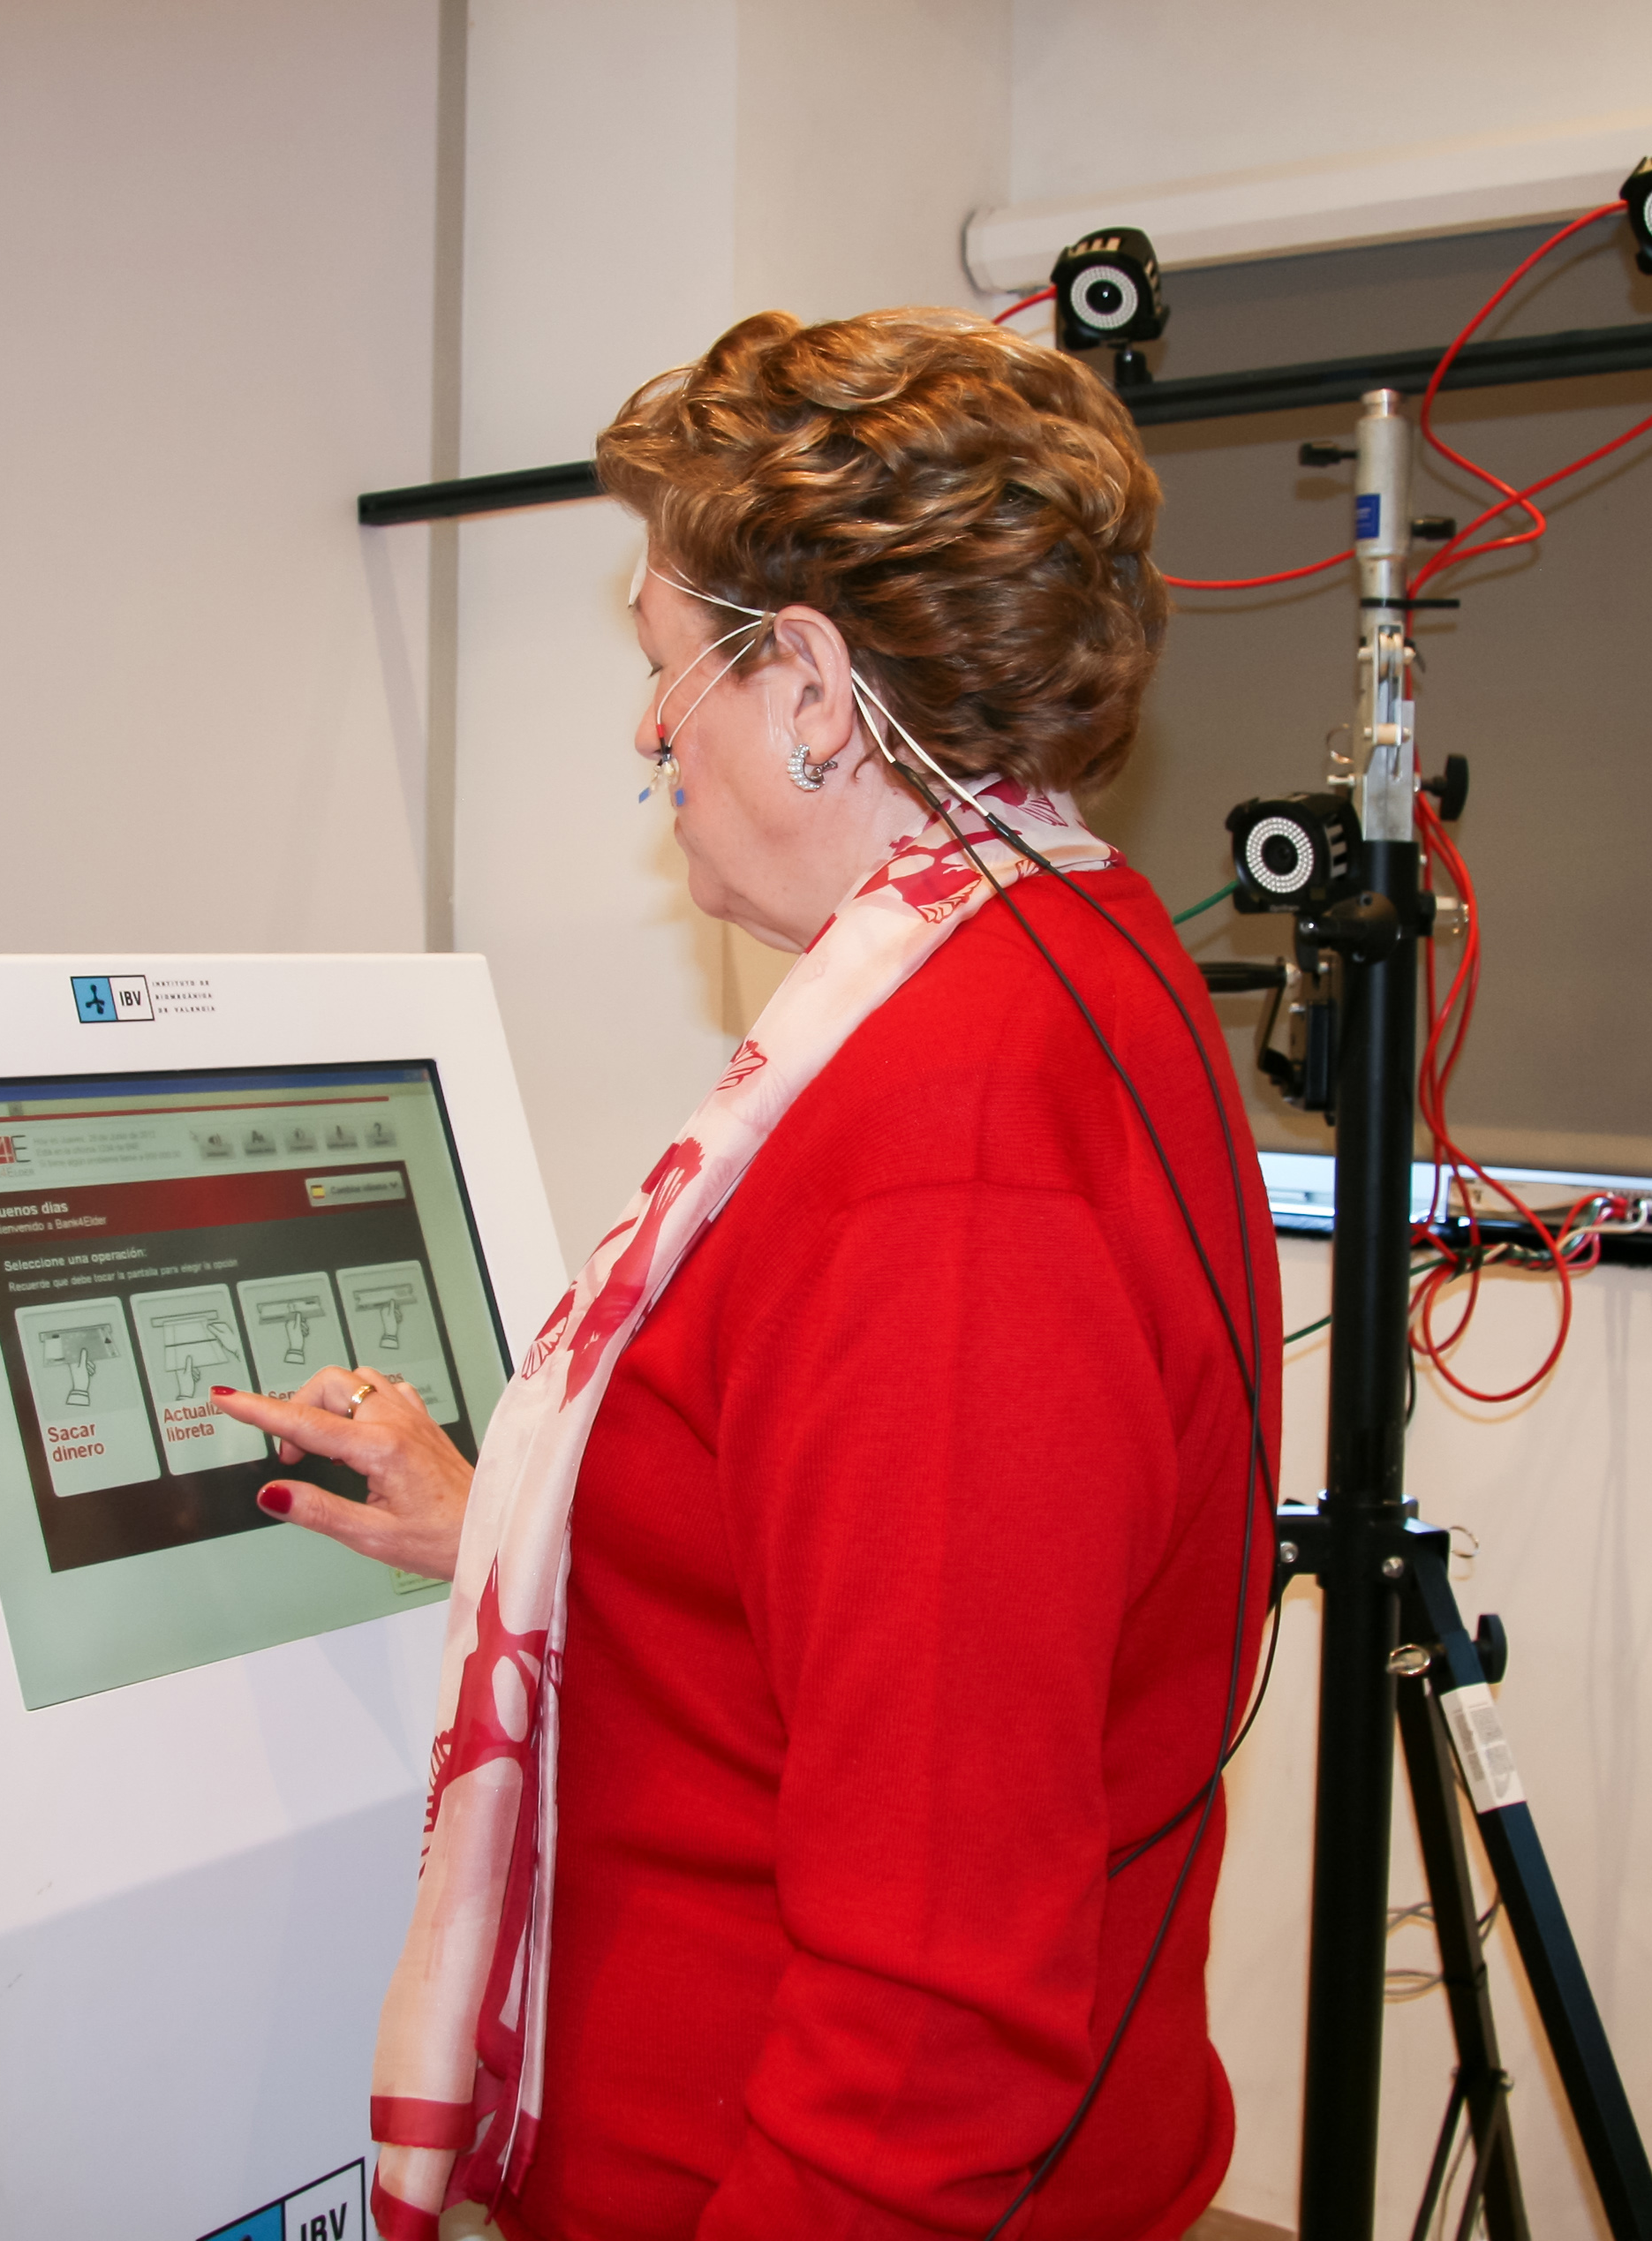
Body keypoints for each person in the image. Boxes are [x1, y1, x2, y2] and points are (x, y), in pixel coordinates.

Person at [213, 306, 1279, 2241]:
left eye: (660, 660)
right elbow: (899, 1605)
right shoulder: (1073, 952)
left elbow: (931, 2017)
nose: (646, 729)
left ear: (803, 679)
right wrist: (524, 1531)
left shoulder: (946, 1158)